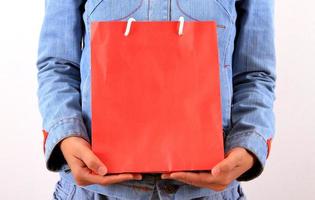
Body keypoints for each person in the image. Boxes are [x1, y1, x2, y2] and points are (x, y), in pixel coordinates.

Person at [36, 0, 276, 199]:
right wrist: (67, 135)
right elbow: (58, 64)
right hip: (95, 190)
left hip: (207, 191)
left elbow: (254, 74)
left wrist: (248, 145)